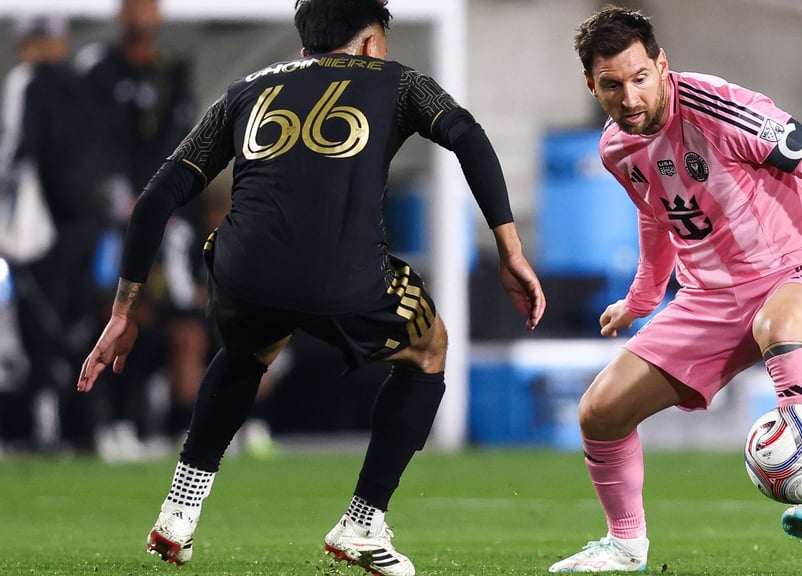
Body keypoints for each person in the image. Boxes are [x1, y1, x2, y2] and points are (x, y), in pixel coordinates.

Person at [77, 0, 546, 574]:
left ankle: (178, 512)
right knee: (429, 350)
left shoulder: (245, 90)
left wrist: (123, 311)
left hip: (241, 272)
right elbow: (468, 135)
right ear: (371, 43)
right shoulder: (398, 82)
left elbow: (156, 197)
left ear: (305, 48)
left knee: (248, 348)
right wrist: (510, 250)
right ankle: (362, 522)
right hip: (342, 275)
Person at [548, 6, 802, 572]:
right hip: (709, 299)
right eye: (612, 85)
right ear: (591, 85)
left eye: (640, 78)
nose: (630, 97)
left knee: (779, 324)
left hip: (800, 269)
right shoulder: (616, 148)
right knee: (600, 412)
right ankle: (624, 546)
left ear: (662, 66)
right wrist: (641, 300)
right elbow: (658, 215)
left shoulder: (721, 109)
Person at [75, 0, 215, 459]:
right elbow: (92, 148)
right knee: (121, 318)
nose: (141, 16)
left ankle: (183, 431)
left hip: (169, 223)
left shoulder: (171, 73)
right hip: (116, 223)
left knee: (189, 326)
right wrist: (118, 198)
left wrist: (172, 201)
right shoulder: (99, 71)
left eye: (149, 7)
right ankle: (115, 424)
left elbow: (188, 148)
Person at [0, 16, 106, 452]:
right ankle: (85, 424)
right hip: (86, 223)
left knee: (38, 322)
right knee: (78, 321)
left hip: (39, 226)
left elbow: (17, 153)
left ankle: (45, 423)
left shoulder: (26, 80)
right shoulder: (85, 85)